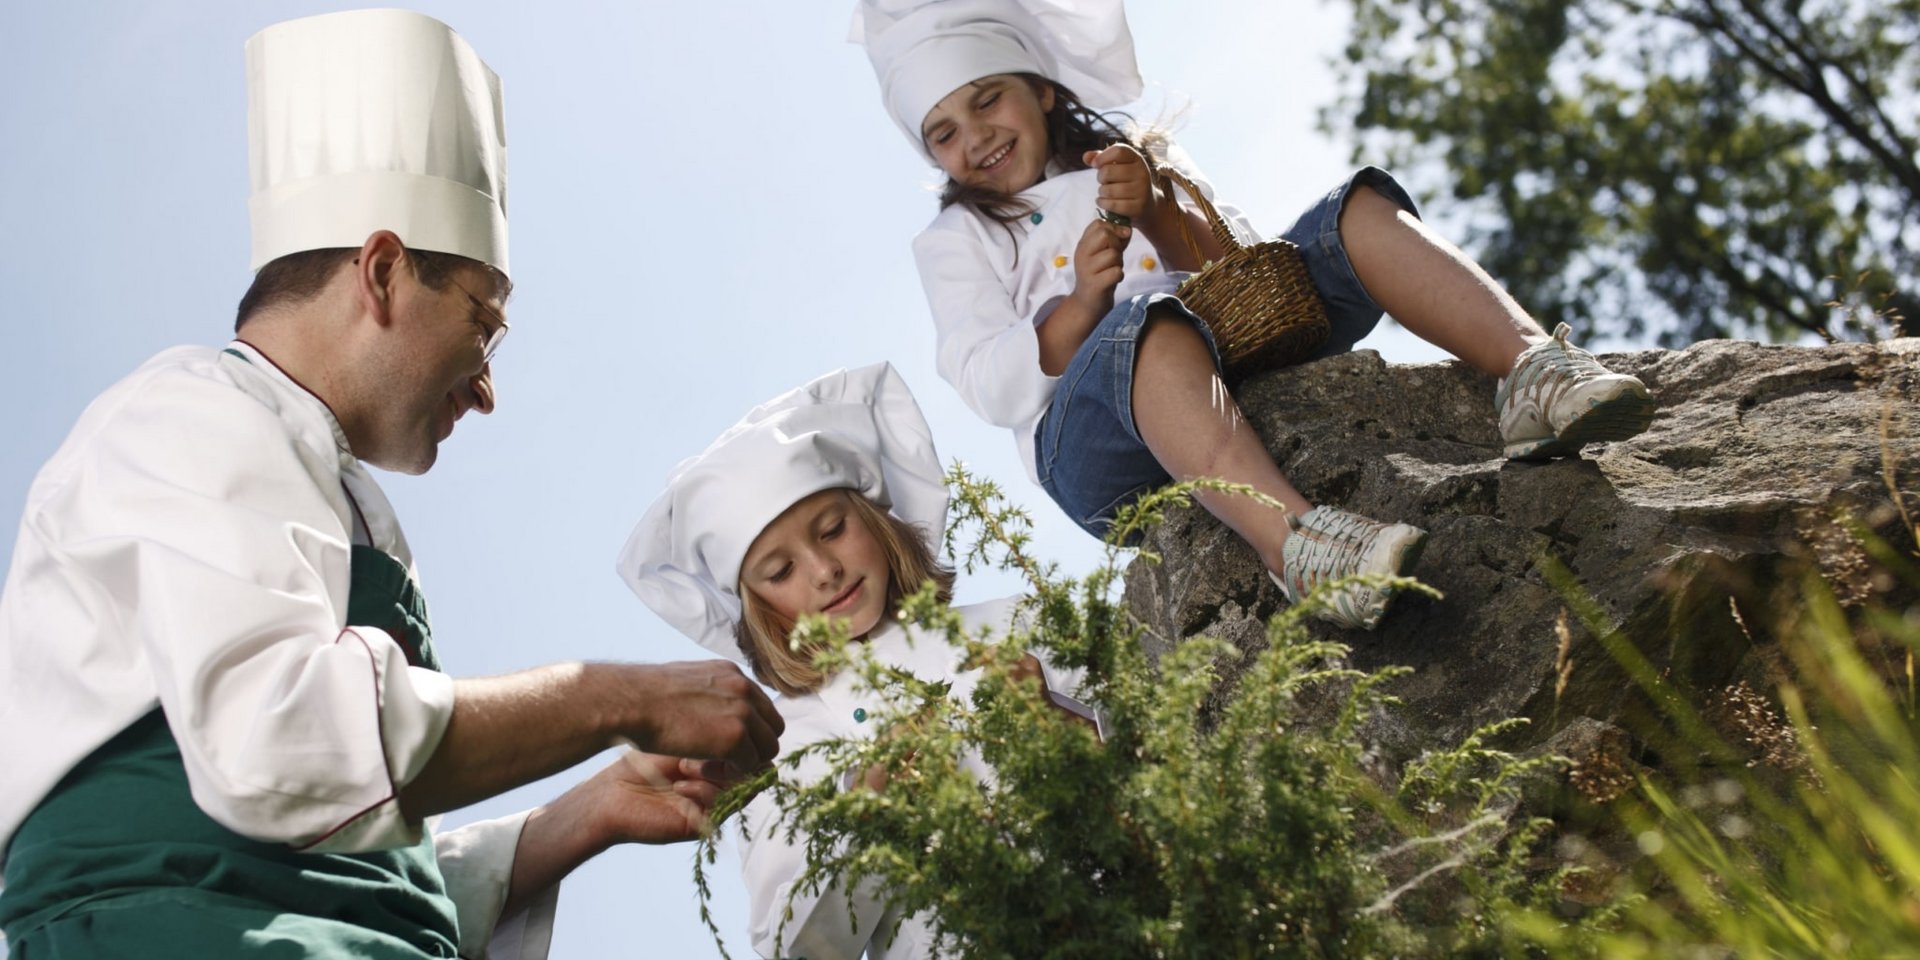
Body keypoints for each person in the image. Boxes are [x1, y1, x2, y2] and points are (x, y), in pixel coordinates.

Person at [0, 11, 782, 958]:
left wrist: (586, 812)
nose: (487, 390)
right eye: (482, 326)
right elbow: (283, 749)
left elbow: (338, 874)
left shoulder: (325, 491)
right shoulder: (191, 412)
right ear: (382, 271)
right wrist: (614, 696)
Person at [850, 0, 1659, 630]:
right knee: (1148, 327)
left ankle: (1529, 371)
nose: (975, 137)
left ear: (1044, 88)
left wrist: (1162, 208)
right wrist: (1084, 306)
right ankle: (1296, 544)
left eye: (988, 99)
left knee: (1355, 211)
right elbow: (989, 383)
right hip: (1097, 442)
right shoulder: (958, 237)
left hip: (1228, 348)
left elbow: (1241, 269)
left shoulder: (1132, 154)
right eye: (944, 134)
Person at [617, 362, 1097, 959]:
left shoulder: (1014, 622)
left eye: (833, 529)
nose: (825, 571)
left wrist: (1060, 724)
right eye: (781, 571)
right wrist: (869, 806)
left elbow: (1166, 760)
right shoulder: (774, 749)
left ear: (874, 519)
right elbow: (797, 946)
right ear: (757, 610)